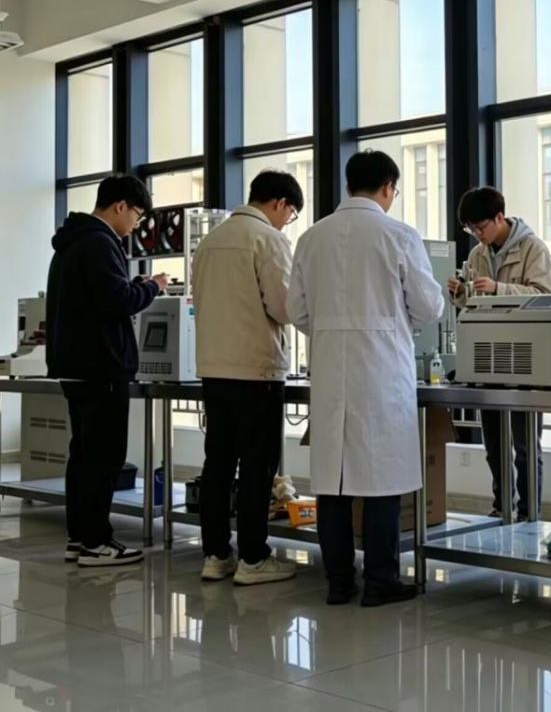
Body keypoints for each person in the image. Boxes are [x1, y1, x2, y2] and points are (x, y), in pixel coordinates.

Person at [288, 150, 444, 606]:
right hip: (381, 371)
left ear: (348, 185)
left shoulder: (311, 238)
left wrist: (332, 329)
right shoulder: (400, 235)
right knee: (382, 482)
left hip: (330, 370)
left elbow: (297, 310)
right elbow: (430, 307)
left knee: (333, 484)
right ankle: (380, 581)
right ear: (389, 188)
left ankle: (338, 582)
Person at [46, 175, 169, 567]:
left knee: (83, 456)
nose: (136, 224)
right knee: (103, 458)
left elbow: (98, 295)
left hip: (75, 365)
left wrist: (133, 285)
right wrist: (153, 287)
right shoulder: (100, 242)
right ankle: (97, 542)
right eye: (137, 215)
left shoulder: (72, 241)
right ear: (120, 206)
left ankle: (79, 538)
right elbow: (117, 301)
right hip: (102, 366)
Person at [192, 170, 304, 586]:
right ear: (281, 203)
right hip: (256, 370)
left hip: (213, 369)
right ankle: (254, 558)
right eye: (290, 214)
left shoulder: (210, 241)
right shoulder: (267, 240)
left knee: (218, 464)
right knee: (258, 466)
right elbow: (284, 307)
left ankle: (216, 554)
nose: (286, 222)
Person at [446, 187, 551, 522]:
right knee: (493, 444)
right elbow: (472, 302)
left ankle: (529, 512)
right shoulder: (478, 254)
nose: (477, 234)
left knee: (525, 444)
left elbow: (545, 296)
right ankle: (502, 506)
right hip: (489, 356)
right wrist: (460, 294)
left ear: (499, 217)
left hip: (526, 358)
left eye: (480, 227)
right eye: (470, 229)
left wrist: (499, 288)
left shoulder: (533, 248)